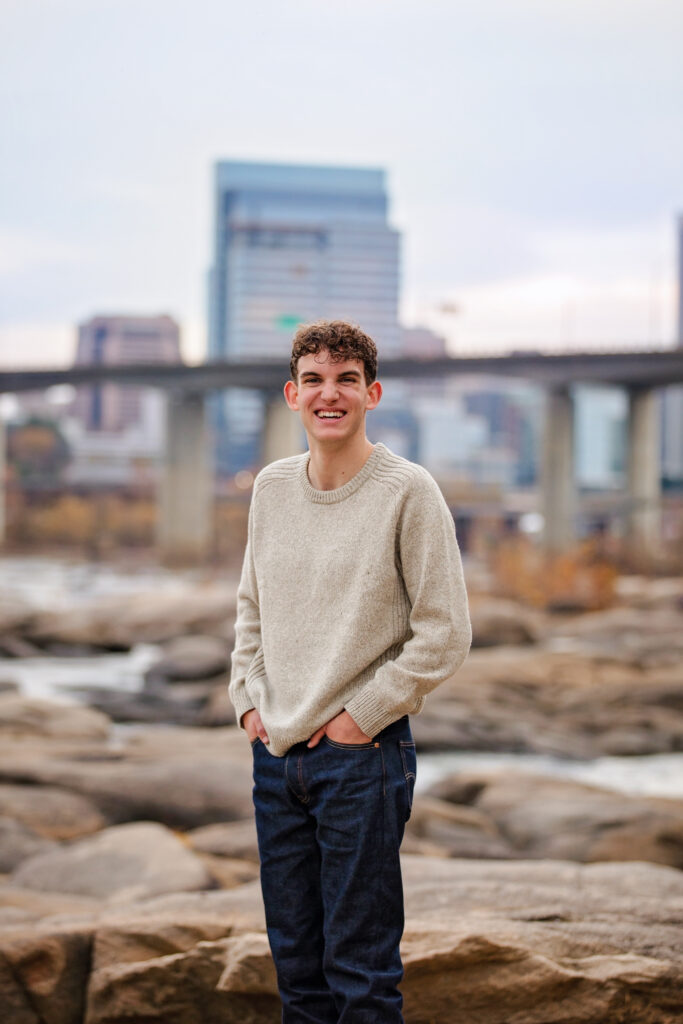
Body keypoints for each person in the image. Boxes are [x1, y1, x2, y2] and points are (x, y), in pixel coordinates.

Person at [229, 320, 471, 1023]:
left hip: (360, 760)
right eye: (313, 379)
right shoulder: (271, 488)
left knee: (360, 973)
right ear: (291, 394)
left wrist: (356, 720)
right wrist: (248, 703)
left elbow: (444, 631)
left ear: (372, 393)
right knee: (297, 970)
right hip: (275, 758)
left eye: (343, 380)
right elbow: (252, 609)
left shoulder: (407, 491)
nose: (327, 394)